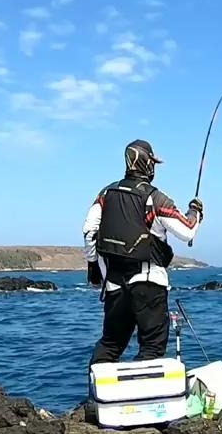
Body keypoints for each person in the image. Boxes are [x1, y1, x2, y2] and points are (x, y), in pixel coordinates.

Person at [82, 139, 204, 364]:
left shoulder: (106, 193)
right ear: (148, 164)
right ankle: (141, 395)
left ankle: (97, 396)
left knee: (110, 344)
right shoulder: (155, 197)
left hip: (114, 285)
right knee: (152, 347)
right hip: (149, 283)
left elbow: (89, 230)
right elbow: (187, 232)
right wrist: (195, 212)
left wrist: (94, 266)